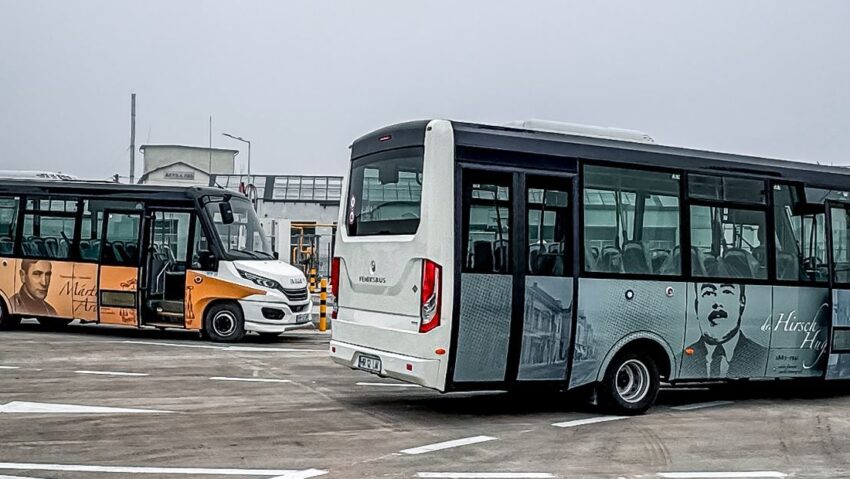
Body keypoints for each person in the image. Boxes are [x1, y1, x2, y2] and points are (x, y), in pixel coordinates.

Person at [681, 282, 768, 378]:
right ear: (696, 306)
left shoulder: (763, 357)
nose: (717, 303)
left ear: (742, 302)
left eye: (726, 292)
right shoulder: (681, 360)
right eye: (708, 293)